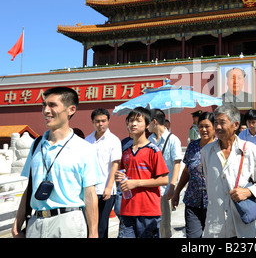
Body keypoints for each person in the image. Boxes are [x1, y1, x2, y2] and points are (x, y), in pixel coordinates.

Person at [12, 87, 102, 238]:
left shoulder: (85, 149)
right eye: (44, 105)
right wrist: (17, 224)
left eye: (52, 105)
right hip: (36, 222)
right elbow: (29, 189)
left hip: (68, 223)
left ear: (71, 109)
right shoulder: (37, 144)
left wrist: (93, 233)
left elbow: (90, 195)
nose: (46, 110)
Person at [201, 104, 256, 238]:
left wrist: (249, 191)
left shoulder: (250, 150)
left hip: (242, 225)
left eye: (222, 123)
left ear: (236, 125)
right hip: (215, 227)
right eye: (216, 123)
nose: (217, 127)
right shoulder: (207, 152)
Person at [115, 107, 169, 238]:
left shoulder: (153, 150)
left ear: (147, 125)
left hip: (148, 211)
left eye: (138, 120)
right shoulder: (126, 151)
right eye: (131, 121)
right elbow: (123, 176)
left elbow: (163, 180)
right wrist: (119, 177)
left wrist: (136, 183)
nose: (133, 124)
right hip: (127, 210)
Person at [172, 112, 216, 238]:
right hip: (193, 201)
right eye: (200, 126)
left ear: (214, 127)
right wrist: (177, 192)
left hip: (214, 204)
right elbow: (186, 171)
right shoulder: (193, 146)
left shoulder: (220, 147)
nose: (203, 130)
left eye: (207, 126)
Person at [85, 108, 122, 238]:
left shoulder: (114, 140)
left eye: (103, 121)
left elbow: (115, 165)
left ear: (108, 121)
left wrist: (109, 187)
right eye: (97, 121)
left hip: (106, 190)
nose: (100, 124)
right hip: (90, 190)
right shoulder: (87, 140)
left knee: (102, 225)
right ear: (92, 122)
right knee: (89, 225)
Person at [148, 108, 182, 238]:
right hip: (151, 189)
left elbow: (177, 164)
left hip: (165, 190)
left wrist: (172, 187)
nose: (146, 125)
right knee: (151, 224)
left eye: (148, 122)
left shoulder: (173, 140)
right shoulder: (149, 139)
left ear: (155, 122)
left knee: (164, 226)